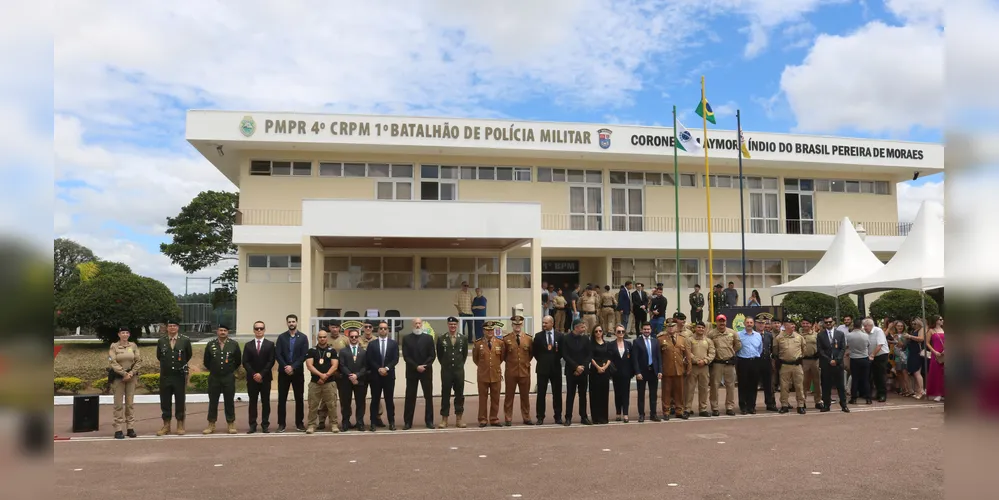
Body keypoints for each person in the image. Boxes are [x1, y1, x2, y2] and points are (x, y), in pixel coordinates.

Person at [202, 324, 241, 435]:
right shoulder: (210, 344)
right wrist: (215, 369)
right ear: (217, 332)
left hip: (228, 377)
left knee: (229, 401)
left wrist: (230, 369)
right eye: (221, 330)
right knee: (213, 402)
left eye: (225, 330)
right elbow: (206, 361)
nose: (223, 332)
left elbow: (238, 360)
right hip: (214, 377)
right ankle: (211, 424)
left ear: (228, 332)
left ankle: (231, 423)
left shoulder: (234, 344)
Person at [156, 320, 192, 436]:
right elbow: (159, 356)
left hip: (179, 376)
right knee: (165, 401)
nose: (172, 328)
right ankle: (166, 425)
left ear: (178, 327)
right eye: (170, 326)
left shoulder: (185, 340)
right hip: (166, 376)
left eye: (174, 326)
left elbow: (188, 355)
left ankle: (180, 424)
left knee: (180, 401)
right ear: (167, 328)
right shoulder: (161, 341)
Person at [276, 314, 309, 433]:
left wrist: (293, 367)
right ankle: (281, 424)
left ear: (297, 323)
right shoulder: (281, 337)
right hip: (283, 372)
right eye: (289, 322)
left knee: (299, 398)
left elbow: (304, 355)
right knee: (282, 399)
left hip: (298, 372)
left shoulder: (303, 338)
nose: (291, 323)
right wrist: (286, 366)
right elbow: (278, 354)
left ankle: (299, 423)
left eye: (293, 321)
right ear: (287, 323)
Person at [402, 317, 436, 430]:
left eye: (419, 323)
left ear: (422, 325)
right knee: (410, 397)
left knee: (428, 397)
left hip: (426, 371)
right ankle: (407, 422)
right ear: (413, 325)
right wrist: (416, 366)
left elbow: (432, 355)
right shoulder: (406, 339)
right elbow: (406, 356)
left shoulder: (429, 338)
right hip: (412, 372)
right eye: (415, 323)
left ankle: (429, 421)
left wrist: (423, 366)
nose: (417, 325)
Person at [305, 328, 340, 434]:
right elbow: (309, 365)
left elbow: (335, 366)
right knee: (313, 405)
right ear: (317, 338)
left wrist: (326, 376)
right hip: (315, 382)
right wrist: (321, 376)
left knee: (332, 405)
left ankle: (334, 424)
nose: (322, 339)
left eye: (324, 337)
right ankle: (311, 425)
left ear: (327, 338)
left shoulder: (332, 351)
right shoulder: (312, 351)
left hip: (330, 382)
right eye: (320, 337)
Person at [242, 320, 275, 434]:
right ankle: (252, 425)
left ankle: (265, 425)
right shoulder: (248, 345)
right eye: (257, 329)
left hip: (265, 378)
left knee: (266, 402)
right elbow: (245, 362)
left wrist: (262, 374)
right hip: (252, 379)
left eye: (261, 328)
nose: (259, 330)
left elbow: (271, 361)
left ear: (264, 330)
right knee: (253, 402)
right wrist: (254, 374)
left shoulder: (270, 345)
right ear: (254, 330)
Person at [109, 326, 141, 439]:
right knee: (118, 405)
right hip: (119, 378)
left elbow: (138, 361)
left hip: (131, 378)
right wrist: (124, 373)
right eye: (123, 332)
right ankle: (118, 429)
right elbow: (112, 362)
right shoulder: (114, 346)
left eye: (127, 332)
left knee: (130, 404)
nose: (125, 334)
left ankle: (130, 428)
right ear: (119, 334)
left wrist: (131, 373)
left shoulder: (133, 346)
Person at [366, 321, 399, 431]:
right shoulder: (372, 344)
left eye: (385, 328)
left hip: (389, 376)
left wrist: (387, 368)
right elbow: (370, 359)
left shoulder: (393, 344)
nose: (383, 330)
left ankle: (392, 422)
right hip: (376, 376)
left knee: (389, 400)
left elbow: (395, 359)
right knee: (375, 400)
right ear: (378, 330)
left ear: (388, 330)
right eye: (381, 328)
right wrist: (378, 368)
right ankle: (373, 423)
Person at [436, 317, 468, 429]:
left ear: (457, 325)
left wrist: (459, 365)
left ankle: (459, 418)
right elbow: (440, 355)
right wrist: (446, 365)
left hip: (459, 371)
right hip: (446, 371)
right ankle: (444, 419)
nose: (452, 326)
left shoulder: (463, 338)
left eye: (454, 324)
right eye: (450, 324)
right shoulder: (441, 338)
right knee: (445, 395)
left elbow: (464, 355)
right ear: (448, 325)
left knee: (459, 395)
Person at [473, 320, 506, 427]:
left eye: (491, 330)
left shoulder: (500, 343)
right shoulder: (478, 343)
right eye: (487, 330)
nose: (490, 332)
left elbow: (501, 358)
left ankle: (494, 418)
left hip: (495, 374)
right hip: (483, 375)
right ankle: (482, 419)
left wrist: (494, 367)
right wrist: (484, 367)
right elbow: (475, 359)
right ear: (483, 331)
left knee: (495, 398)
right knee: (483, 398)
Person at [338, 322, 369, 432]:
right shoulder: (343, 351)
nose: (354, 338)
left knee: (360, 402)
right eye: (352, 337)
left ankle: (360, 423)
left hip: (360, 381)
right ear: (348, 337)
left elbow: (366, 366)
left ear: (358, 337)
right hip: (346, 381)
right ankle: (345, 422)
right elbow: (341, 365)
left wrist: (357, 375)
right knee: (345, 403)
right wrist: (350, 375)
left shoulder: (364, 352)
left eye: (356, 336)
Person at [503, 315, 534, 426]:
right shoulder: (506, 339)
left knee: (525, 396)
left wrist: (524, 363)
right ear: (512, 325)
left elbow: (530, 354)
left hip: (524, 371)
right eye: (515, 324)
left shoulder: (529, 338)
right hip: (511, 371)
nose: (517, 326)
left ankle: (526, 417)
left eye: (519, 324)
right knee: (509, 396)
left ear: (522, 325)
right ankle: (508, 417)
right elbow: (504, 355)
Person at [318, 322, 349, 431]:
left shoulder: (345, 339)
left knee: (344, 398)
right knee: (326, 398)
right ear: (329, 328)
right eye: (332, 327)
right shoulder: (326, 338)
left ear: (339, 328)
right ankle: (321, 420)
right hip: (328, 373)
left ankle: (346, 421)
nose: (335, 329)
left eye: (336, 327)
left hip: (342, 373)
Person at [532, 315, 563, 425]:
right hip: (542, 369)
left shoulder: (560, 336)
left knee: (557, 394)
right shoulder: (538, 336)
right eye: (543, 323)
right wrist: (543, 360)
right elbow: (535, 352)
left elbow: (561, 352)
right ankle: (540, 417)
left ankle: (558, 416)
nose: (544, 325)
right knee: (541, 394)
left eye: (546, 323)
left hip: (555, 368)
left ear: (552, 323)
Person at [562, 319, 593, 426]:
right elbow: (565, 355)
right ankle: (568, 417)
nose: (584, 329)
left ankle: (583, 416)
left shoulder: (586, 338)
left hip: (583, 371)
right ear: (576, 328)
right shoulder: (566, 338)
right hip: (571, 371)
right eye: (582, 327)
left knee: (583, 395)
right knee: (570, 395)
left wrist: (582, 367)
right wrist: (576, 367)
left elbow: (589, 354)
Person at [708, 315, 740, 416]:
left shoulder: (732, 333)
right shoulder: (711, 334)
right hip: (717, 363)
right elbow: (709, 347)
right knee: (714, 386)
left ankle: (730, 407)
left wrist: (731, 352)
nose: (722, 323)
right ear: (716, 322)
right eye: (719, 321)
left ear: (726, 322)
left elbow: (738, 345)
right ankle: (715, 408)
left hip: (729, 363)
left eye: (723, 321)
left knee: (730, 386)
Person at [774, 318, 807, 414]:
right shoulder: (779, 338)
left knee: (799, 386)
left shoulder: (799, 337)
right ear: (785, 325)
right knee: (784, 386)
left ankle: (800, 405)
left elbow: (803, 350)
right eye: (791, 324)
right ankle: (784, 405)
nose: (793, 326)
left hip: (797, 365)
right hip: (784, 365)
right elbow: (776, 351)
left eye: (793, 324)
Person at [659, 320, 690, 420]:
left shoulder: (683, 339)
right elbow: (658, 356)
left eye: (673, 326)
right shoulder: (660, 339)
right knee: (666, 392)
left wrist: (689, 367)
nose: (671, 328)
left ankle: (679, 410)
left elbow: (687, 354)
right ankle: (666, 411)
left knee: (679, 392)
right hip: (667, 369)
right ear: (666, 327)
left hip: (679, 369)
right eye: (669, 326)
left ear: (676, 327)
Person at [817, 316, 850, 412]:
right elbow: (820, 350)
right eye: (826, 322)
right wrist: (829, 360)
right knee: (826, 386)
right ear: (824, 323)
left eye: (830, 322)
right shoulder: (820, 335)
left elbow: (843, 348)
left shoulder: (840, 334)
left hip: (838, 364)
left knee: (840, 386)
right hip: (826, 364)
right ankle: (826, 405)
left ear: (833, 322)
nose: (828, 324)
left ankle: (844, 405)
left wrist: (837, 360)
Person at [632, 322, 662, 422]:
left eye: (648, 329)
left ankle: (653, 414)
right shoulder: (636, 342)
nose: (646, 331)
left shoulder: (655, 341)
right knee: (641, 395)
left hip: (653, 371)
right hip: (642, 372)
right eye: (644, 329)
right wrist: (637, 372)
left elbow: (658, 357)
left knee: (653, 394)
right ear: (641, 330)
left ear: (651, 330)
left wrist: (660, 371)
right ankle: (641, 414)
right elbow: (635, 359)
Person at [685, 321, 714, 417]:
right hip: (693, 367)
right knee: (689, 389)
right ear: (695, 328)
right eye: (698, 327)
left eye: (702, 327)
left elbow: (712, 353)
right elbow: (688, 352)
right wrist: (697, 360)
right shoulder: (689, 340)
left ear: (704, 329)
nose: (700, 329)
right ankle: (687, 409)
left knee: (704, 389)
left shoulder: (708, 341)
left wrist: (705, 361)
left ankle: (703, 409)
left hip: (704, 368)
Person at [735, 317, 762, 414]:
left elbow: (760, 349)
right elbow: (736, 348)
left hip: (754, 361)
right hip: (743, 361)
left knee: (753, 384)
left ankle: (751, 406)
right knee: (743, 384)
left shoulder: (758, 335)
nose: (749, 324)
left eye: (751, 322)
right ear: (744, 323)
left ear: (753, 324)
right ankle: (743, 406)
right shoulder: (738, 335)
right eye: (747, 322)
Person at [608, 324, 633, 422]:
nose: (621, 333)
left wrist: (632, 372)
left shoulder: (628, 344)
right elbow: (609, 359)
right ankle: (618, 412)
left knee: (626, 393)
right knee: (617, 393)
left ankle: (625, 413)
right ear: (615, 333)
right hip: (616, 373)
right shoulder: (611, 344)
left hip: (626, 373)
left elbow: (631, 359)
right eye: (619, 331)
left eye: (622, 331)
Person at [588, 326, 612, 424]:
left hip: (605, 372)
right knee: (595, 394)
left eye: (600, 331)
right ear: (593, 333)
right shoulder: (591, 344)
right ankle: (596, 418)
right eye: (596, 331)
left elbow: (609, 357)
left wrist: (604, 367)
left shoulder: (607, 344)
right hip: (594, 371)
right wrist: (598, 367)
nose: (598, 333)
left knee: (604, 394)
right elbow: (591, 357)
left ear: (603, 332)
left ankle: (603, 417)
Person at [846, 318, 872, 405]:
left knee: (855, 379)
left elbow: (847, 345)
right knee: (865, 379)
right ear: (861, 326)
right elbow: (868, 345)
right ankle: (868, 398)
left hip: (854, 358)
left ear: (853, 325)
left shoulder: (849, 335)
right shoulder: (865, 335)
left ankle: (854, 398)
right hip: (864, 357)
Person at [864, 318, 890, 402]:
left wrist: (872, 355)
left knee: (880, 375)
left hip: (881, 355)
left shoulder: (878, 331)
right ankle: (874, 393)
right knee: (872, 376)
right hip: (871, 355)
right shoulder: (865, 332)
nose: (864, 328)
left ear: (870, 325)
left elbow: (880, 345)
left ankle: (882, 395)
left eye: (865, 326)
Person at [799, 318, 823, 409]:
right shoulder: (798, 335)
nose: (805, 325)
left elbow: (821, 346)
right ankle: (802, 401)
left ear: (811, 324)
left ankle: (818, 401)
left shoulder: (816, 335)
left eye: (807, 323)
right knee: (804, 382)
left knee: (817, 382)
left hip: (815, 360)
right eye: (803, 323)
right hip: (804, 360)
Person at [926, 315, 945, 401]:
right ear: (936, 321)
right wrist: (934, 351)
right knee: (936, 373)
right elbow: (927, 343)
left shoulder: (944, 329)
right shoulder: (931, 330)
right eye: (940, 319)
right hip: (936, 353)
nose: (942, 320)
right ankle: (937, 393)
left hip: (945, 353)